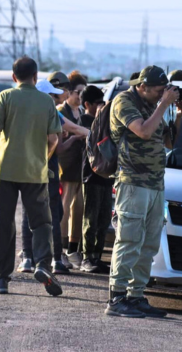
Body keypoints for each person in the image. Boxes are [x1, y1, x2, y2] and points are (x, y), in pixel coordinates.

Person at [106, 65, 182, 318]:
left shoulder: (155, 104)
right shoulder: (124, 101)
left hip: (155, 184)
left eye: (165, 90)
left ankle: (136, 295)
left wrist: (179, 114)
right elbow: (142, 130)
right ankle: (116, 297)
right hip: (132, 182)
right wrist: (164, 104)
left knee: (149, 243)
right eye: (158, 90)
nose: (162, 94)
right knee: (129, 240)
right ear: (142, 86)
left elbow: (168, 141)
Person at [0, 56, 63, 296]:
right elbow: (53, 139)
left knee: (4, 226)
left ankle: (1, 281)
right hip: (35, 173)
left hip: (4, 171)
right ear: (36, 77)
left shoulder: (5, 97)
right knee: (42, 223)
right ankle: (43, 265)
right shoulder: (46, 102)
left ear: (14, 77)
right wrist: (42, 159)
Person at [17, 79, 72, 276]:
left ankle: (28, 258)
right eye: (52, 96)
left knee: (29, 212)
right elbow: (55, 141)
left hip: (29, 167)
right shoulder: (52, 113)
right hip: (47, 168)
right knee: (52, 214)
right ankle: (55, 260)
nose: (55, 99)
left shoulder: (23, 113)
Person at [57, 70, 88, 268]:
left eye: (83, 92)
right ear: (69, 92)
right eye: (78, 92)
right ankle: (59, 249)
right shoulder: (61, 111)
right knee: (64, 209)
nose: (80, 96)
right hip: (65, 167)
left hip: (82, 168)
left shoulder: (83, 113)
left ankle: (73, 249)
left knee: (79, 209)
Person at [79, 85, 111, 273]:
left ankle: (97, 256)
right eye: (98, 103)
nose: (102, 106)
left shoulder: (105, 120)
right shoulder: (84, 121)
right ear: (88, 104)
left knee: (104, 219)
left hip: (106, 177)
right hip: (91, 176)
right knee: (90, 219)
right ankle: (86, 257)